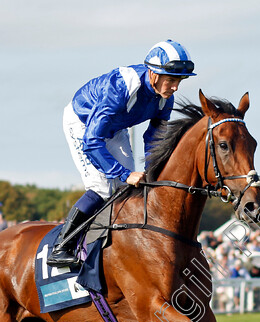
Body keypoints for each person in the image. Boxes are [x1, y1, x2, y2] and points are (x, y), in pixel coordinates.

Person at [46, 39, 196, 267]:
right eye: (171, 80)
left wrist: (152, 170)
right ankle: (61, 246)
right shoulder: (120, 88)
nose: (175, 87)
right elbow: (92, 141)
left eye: (179, 81)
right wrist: (124, 172)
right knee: (102, 187)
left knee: (126, 190)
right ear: (153, 74)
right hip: (83, 124)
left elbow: (154, 137)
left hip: (115, 128)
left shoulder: (165, 99)